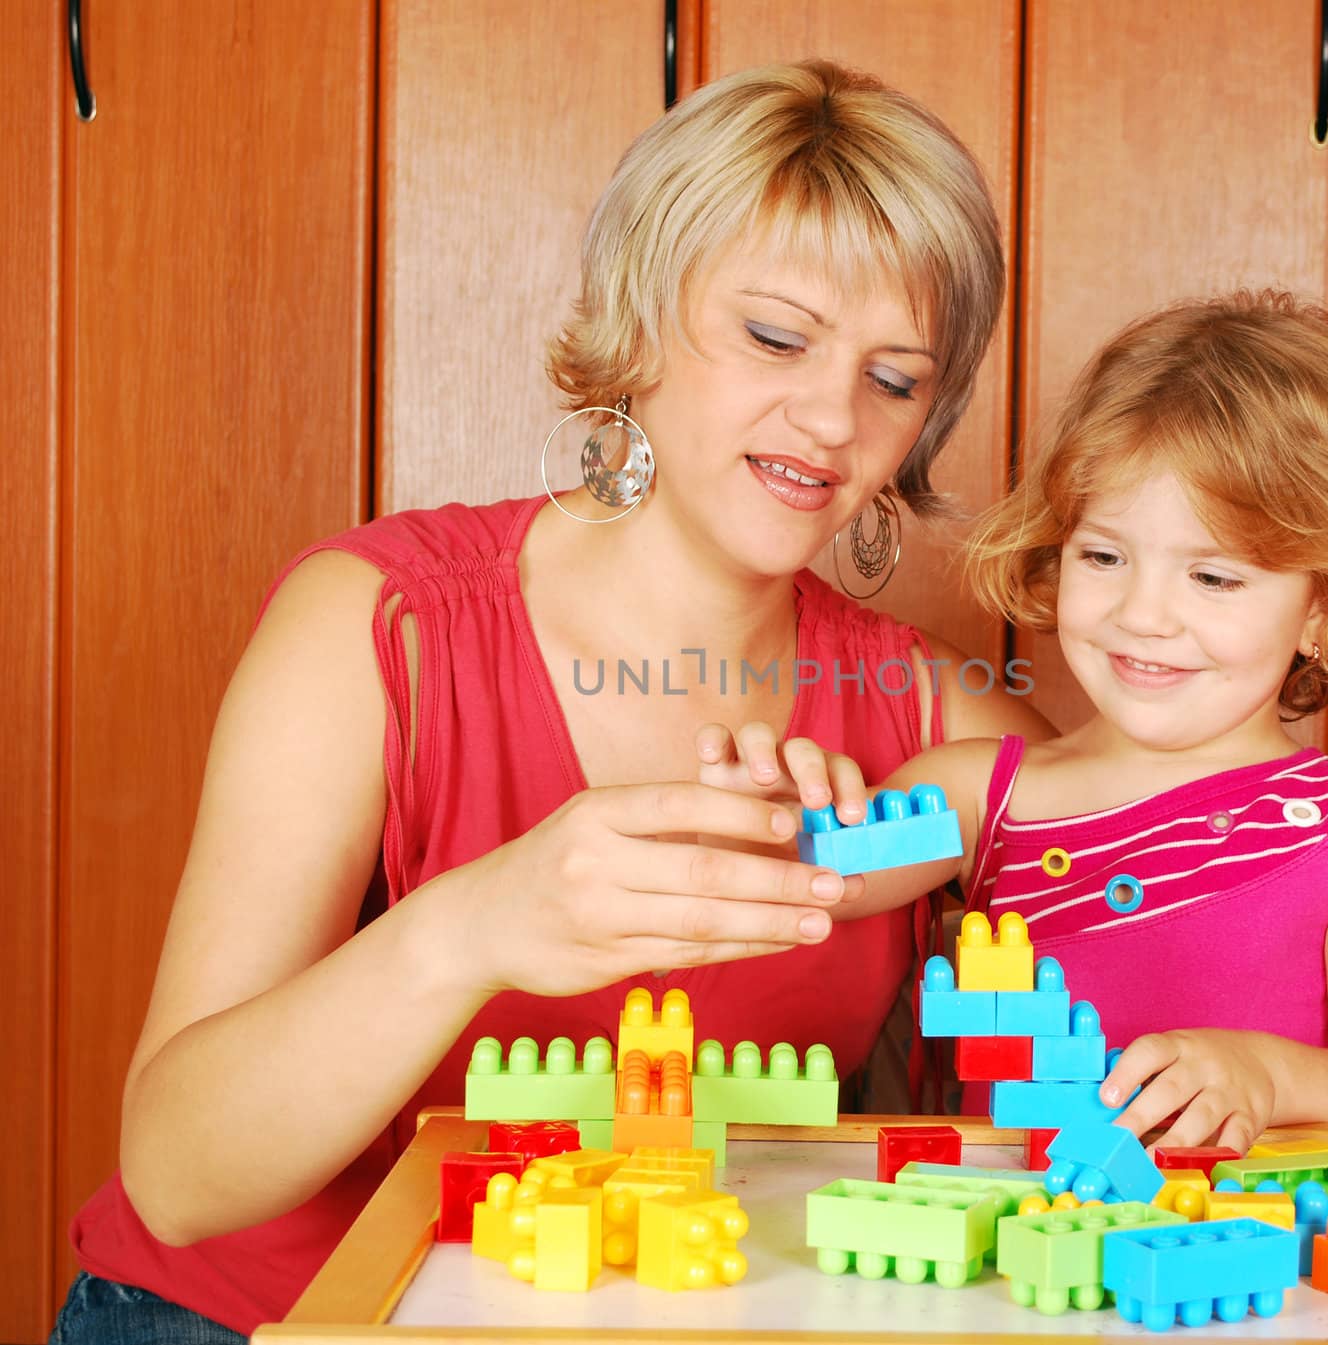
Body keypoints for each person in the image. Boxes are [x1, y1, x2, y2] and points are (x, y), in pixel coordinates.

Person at [54, 60, 1052, 1342]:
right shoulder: (380, 628)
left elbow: (1212, 855)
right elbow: (180, 1180)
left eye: (894, 379)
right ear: (639, 318)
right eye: (775, 336)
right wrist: (471, 926)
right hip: (246, 1322)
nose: (830, 417)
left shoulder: (940, 721)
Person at [700, 290, 1328, 1154]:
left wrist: (1269, 1075)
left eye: (1213, 577)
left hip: (1260, 1266)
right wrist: (771, 819)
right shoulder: (981, 794)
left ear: (1325, 607)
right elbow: (828, 878)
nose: (1144, 614)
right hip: (1006, 1265)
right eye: (1104, 556)